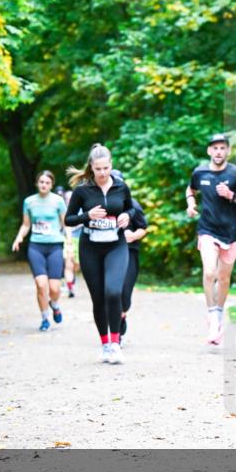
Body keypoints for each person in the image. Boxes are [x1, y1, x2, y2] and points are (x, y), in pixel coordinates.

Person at [66, 144, 134, 364]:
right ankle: (104, 344)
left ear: (111, 166)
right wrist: (87, 215)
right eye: (98, 169)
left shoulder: (121, 187)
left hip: (116, 245)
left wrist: (127, 216)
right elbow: (68, 219)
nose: (103, 173)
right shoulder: (82, 191)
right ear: (91, 168)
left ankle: (115, 344)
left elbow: (131, 208)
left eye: (106, 168)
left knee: (113, 292)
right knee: (98, 298)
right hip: (90, 247)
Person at [185, 133, 236, 344]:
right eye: (214, 148)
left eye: (222, 148)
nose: (218, 152)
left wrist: (232, 196)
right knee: (209, 272)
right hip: (207, 230)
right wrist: (190, 204)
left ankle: (219, 311)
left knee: (224, 278)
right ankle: (212, 315)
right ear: (209, 151)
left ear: (228, 151)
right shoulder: (200, 171)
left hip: (231, 234)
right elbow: (191, 189)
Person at [12, 171, 67, 331]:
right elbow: (26, 224)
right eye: (41, 182)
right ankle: (44, 318)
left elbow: (66, 223)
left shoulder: (58, 201)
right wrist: (19, 238)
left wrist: (69, 242)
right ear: (37, 183)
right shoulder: (29, 202)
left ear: (51, 185)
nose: (44, 185)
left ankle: (55, 305)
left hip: (55, 245)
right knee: (41, 285)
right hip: (36, 246)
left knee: (55, 287)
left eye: (47, 183)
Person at [120, 197, 148, 345]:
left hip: (129, 251)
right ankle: (114, 331)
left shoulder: (133, 204)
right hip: (107, 251)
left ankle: (122, 315)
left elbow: (143, 228)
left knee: (125, 291)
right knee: (110, 291)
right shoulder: (100, 203)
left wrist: (133, 236)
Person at [56, 185, 81, 297]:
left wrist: (73, 224)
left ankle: (70, 281)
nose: (69, 200)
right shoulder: (62, 210)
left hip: (81, 239)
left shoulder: (81, 209)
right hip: (67, 240)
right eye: (67, 198)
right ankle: (70, 287)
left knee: (77, 265)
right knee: (68, 265)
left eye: (71, 198)